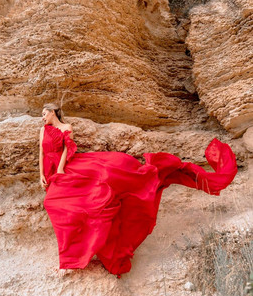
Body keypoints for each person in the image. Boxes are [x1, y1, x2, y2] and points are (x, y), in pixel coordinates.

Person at [40, 102, 238, 278]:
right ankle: (73, 256)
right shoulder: (44, 130)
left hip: (66, 167)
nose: (43, 117)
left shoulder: (67, 127)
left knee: (85, 193)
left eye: (45, 113)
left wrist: (60, 169)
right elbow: (41, 152)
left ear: (53, 112)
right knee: (56, 204)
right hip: (52, 170)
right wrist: (43, 173)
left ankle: (71, 259)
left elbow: (67, 150)